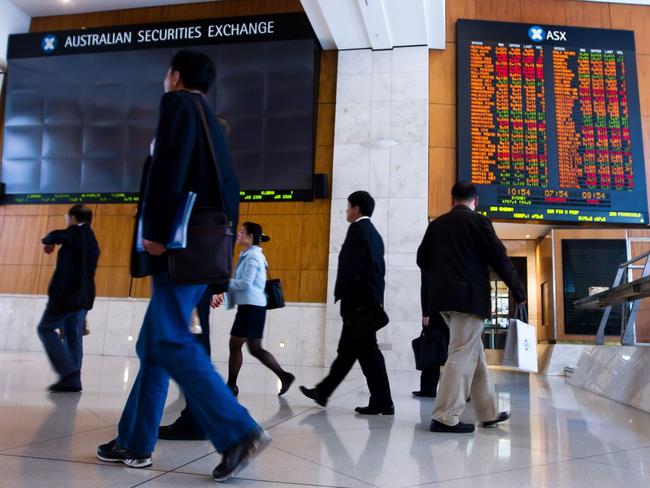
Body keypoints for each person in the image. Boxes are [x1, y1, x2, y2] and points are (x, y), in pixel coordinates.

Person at [96, 50, 269, 482]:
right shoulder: (212, 122)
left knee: (171, 341)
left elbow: (168, 171)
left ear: (175, 76)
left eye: (166, 74)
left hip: (175, 248)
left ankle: (238, 431)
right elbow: (228, 193)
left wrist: (154, 232)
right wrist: (217, 268)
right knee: (153, 345)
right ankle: (133, 440)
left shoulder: (177, 104)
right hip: (201, 252)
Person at [417, 181, 526, 434]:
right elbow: (499, 258)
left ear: (452, 200)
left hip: (442, 301)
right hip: (468, 299)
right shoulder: (479, 222)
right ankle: (444, 416)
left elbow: (421, 259)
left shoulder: (436, 225)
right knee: (460, 354)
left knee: (474, 354)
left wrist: (443, 278)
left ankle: (487, 412)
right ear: (475, 201)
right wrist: (517, 291)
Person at [158, 116, 231, 442]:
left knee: (187, 346)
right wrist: (218, 282)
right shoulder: (225, 171)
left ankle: (227, 425)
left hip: (187, 272)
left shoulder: (204, 171)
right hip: (202, 273)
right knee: (186, 344)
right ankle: (200, 419)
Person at [300, 191, 394, 415]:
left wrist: (349, 300)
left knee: (367, 352)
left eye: (348, 206)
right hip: (367, 304)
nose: (346, 211)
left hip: (357, 305)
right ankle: (324, 392)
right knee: (349, 351)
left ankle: (384, 402)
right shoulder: (375, 234)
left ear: (357, 209)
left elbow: (351, 269)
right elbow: (378, 272)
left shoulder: (357, 230)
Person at [225, 222, 295, 397]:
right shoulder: (247, 254)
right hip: (251, 306)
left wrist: (224, 283)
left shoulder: (253, 257)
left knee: (235, 344)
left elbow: (246, 283)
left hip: (252, 307)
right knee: (254, 348)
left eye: (242, 232)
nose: (238, 235)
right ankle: (284, 376)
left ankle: (231, 386)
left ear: (250, 237)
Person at [37, 204, 100, 393]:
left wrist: (48, 241)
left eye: (67, 217)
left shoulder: (75, 233)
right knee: (73, 337)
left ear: (73, 218)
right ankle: (72, 382)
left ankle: (68, 371)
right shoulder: (91, 239)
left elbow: (56, 235)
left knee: (45, 328)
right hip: (84, 296)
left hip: (67, 296)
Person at [412, 272, 449, 398]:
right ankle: (428, 389)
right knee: (435, 349)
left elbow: (427, 288)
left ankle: (428, 389)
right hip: (443, 311)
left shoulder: (432, 261)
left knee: (432, 349)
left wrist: (426, 313)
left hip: (436, 312)